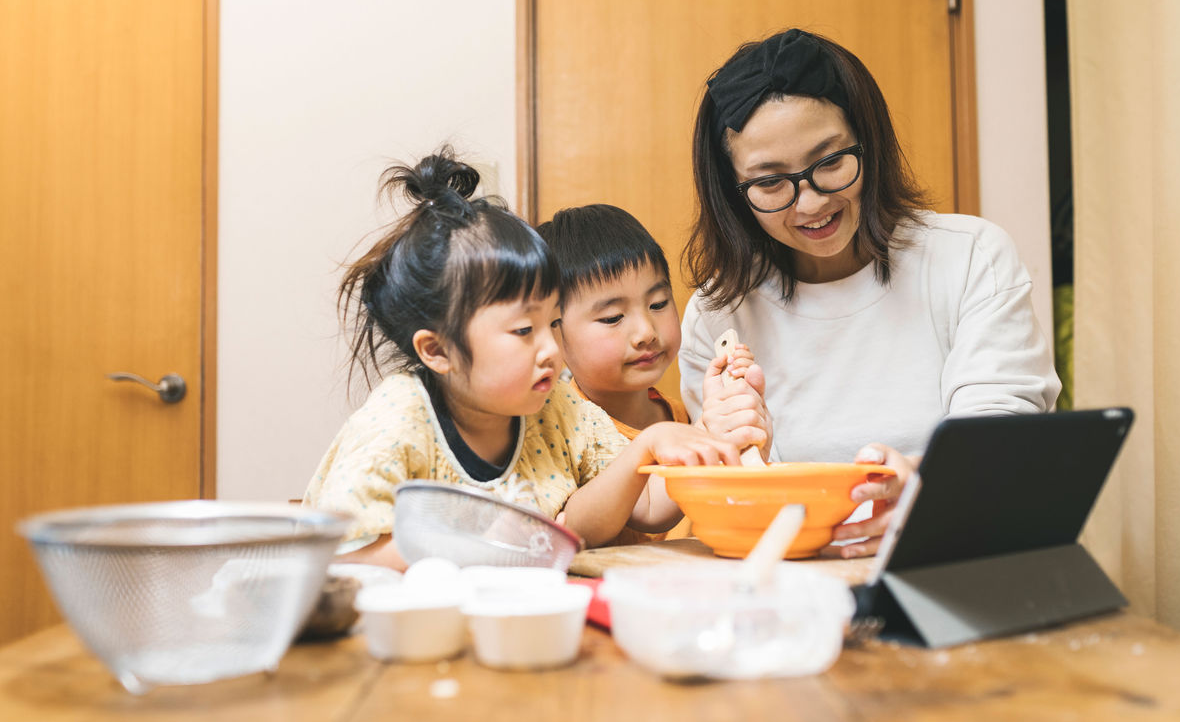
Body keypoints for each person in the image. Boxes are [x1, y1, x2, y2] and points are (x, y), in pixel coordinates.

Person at [680, 29, 1061, 558]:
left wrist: (929, 497)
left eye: (830, 162)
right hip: (798, 580)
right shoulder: (718, 314)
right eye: (770, 183)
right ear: (733, 193)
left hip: (960, 555)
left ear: (869, 142)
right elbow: (736, 497)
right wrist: (732, 450)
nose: (810, 203)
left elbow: (997, 445)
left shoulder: (970, 257)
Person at [304, 149, 739, 569]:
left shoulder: (560, 409)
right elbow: (342, 551)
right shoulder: (401, 417)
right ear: (438, 351)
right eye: (524, 331)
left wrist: (684, 436)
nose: (551, 349)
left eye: (553, 323)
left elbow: (645, 507)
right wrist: (477, 549)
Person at [537, 204, 769, 542]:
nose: (646, 331)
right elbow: (646, 510)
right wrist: (707, 432)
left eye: (658, 304)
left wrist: (749, 434)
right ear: (555, 332)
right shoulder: (561, 427)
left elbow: (734, 503)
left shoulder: (679, 415)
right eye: (613, 317)